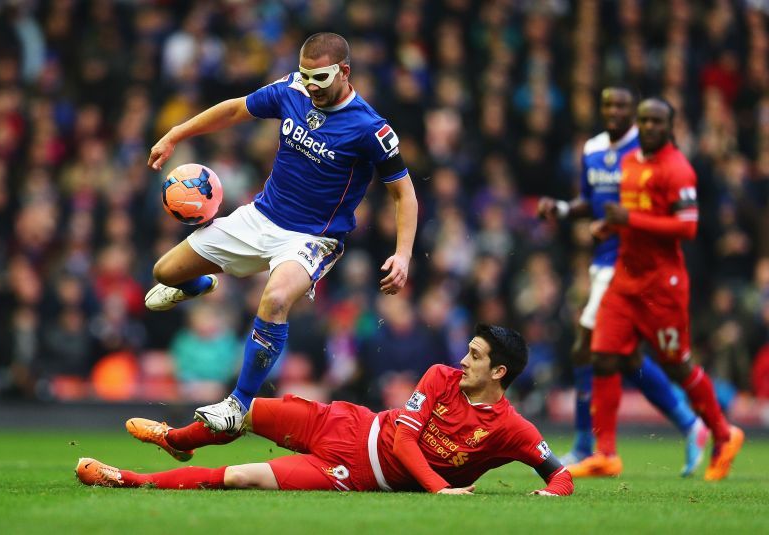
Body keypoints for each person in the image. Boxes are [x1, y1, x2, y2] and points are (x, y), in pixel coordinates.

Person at [143, 33, 418, 433]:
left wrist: (404, 253)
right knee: (165, 272)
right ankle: (201, 284)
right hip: (260, 216)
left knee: (274, 299)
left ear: (344, 72)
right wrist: (175, 134)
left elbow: (403, 194)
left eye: (320, 77)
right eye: (306, 75)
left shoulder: (371, 129)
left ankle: (238, 403)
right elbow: (235, 110)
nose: (311, 85)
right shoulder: (292, 89)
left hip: (312, 238)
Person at [76, 325, 573, 496]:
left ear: (500, 373)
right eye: (467, 351)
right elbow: (403, 438)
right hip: (348, 422)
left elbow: (561, 474)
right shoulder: (441, 378)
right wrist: (442, 490)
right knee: (243, 412)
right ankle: (176, 440)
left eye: (476, 356)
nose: (464, 360)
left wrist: (552, 495)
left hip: (349, 471)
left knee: (239, 478)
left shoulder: (511, 429)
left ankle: (128, 480)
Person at [566, 98, 744, 481]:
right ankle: (606, 454)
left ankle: (724, 433)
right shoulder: (631, 163)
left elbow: (687, 227)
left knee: (678, 366)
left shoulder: (677, 170)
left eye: (657, 121)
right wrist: (610, 227)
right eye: (644, 120)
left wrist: (631, 219)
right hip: (625, 280)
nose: (649, 127)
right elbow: (632, 216)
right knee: (602, 357)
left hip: (663, 287)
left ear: (670, 127)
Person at [537, 87, 707, 476]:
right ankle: (690, 423)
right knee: (622, 357)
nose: (614, 112)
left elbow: (647, 208)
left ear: (635, 113)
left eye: (622, 107)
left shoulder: (643, 152)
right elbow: (591, 200)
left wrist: (620, 223)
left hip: (630, 263)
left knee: (586, 347)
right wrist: (563, 209)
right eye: (607, 105)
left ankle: (585, 445)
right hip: (602, 260)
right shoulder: (593, 148)